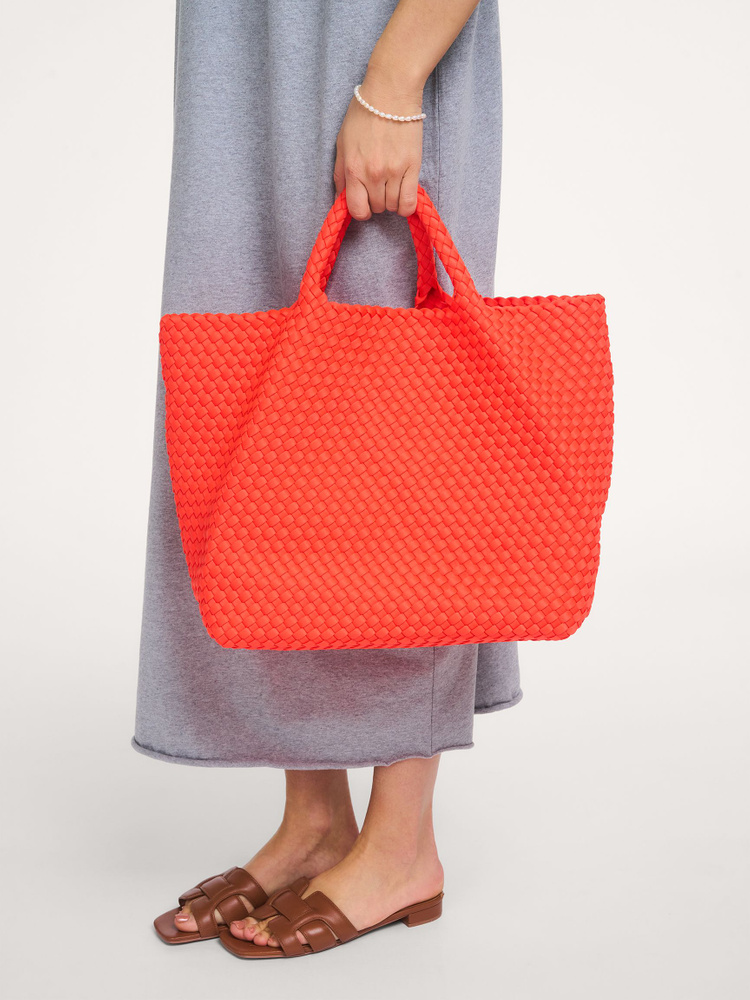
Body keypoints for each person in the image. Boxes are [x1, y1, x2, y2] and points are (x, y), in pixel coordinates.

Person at [135, 0, 523, 958]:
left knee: (396, 443)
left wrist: (393, 83)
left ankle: (402, 843)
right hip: (241, 52)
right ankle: (315, 819)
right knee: (266, 436)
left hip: (372, 43)